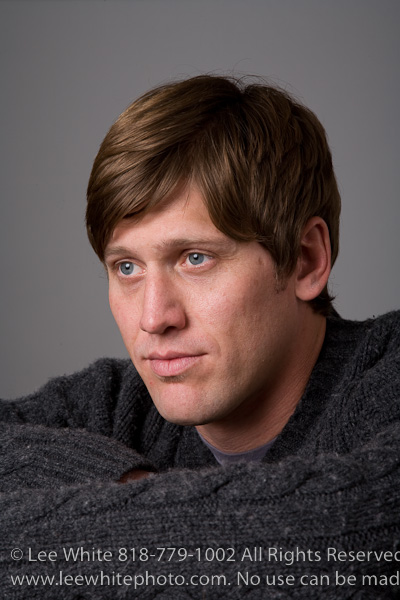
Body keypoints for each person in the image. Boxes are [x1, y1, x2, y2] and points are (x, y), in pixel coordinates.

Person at [1, 75, 399, 599]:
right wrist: (135, 491)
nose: (153, 318)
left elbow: (365, 538)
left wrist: (113, 512)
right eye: (126, 267)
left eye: (195, 258)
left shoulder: (387, 375)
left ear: (305, 260)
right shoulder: (112, 407)